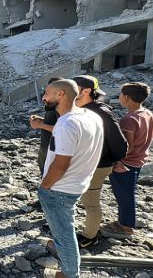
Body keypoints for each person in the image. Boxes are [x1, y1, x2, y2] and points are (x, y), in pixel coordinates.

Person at [38, 80, 103, 278]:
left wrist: (45, 186)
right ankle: (67, 256)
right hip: (78, 183)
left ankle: (68, 273)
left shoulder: (66, 123)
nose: (44, 97)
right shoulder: (91, 116)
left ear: (61, 95)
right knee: (66, 228)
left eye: (47, 93)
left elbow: (60, 164)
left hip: (60, 188)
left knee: (64, 234)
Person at [100, 82, 153, 239]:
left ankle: (126, 227)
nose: (119, 97)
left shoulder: (128, 120)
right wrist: (143, 142)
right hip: (139, 160)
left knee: (125, 195)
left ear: (126, 97)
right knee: (127, 193)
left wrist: (118, 162)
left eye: (120, 95)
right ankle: (125, 223)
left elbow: (126, 148)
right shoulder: (146, 113)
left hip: (126, 163)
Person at [72, 75, 128, 248]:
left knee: (91, 202)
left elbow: (119, 142)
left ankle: (89, 237)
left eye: (74, 88)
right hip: (88, 163)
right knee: (86, 200)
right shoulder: (85, 108)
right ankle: (89, 230)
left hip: (97, 165)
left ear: (86, 91)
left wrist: (115, 160)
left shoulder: (100, 112)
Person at [30, 77, 62, 175]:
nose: (44, 97)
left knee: (48, 177)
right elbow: (57, 124)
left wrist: (40, 125)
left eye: (48, 93)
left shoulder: (62, 107)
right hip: (45, 145)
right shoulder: (53, 105)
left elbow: (63, 130)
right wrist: (42, 120)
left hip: (54, 149)